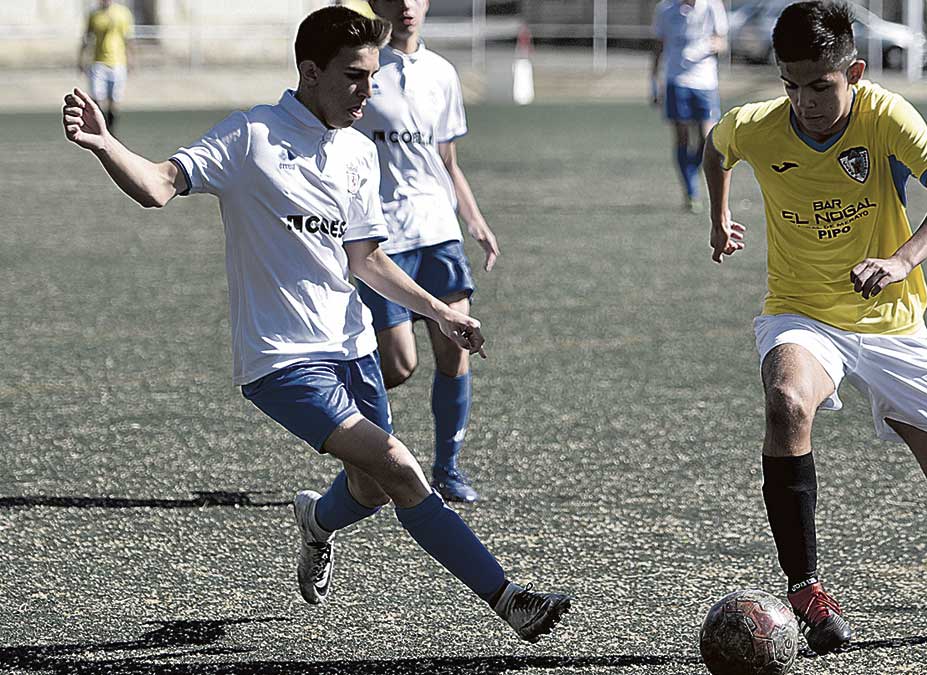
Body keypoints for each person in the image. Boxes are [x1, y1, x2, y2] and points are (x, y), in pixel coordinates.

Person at [61, 6, 569, 643]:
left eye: (374, 77)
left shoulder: (358, 151)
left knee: (373, 486)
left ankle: (317, 523)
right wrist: (106, 143)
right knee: (399, 465)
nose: (369, 91)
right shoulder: (250, 137)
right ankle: (509, 599)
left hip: (352, 347)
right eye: (355, 77)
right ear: (310, 71)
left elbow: (366, 259)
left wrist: (438, 312)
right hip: (282, 360)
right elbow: (159, 185)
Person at [702, 1, 927, 654]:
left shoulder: (885, 117)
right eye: (790, 85)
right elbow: (717, 149)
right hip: (802, 312)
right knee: (786, 399)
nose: (804, 102)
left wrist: (902, 258)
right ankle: (806, 590)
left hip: (893, 322)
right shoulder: (760, 125)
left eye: (819, 86)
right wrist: (719, 216)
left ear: (854, 70)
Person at [353, 0, 502, 504]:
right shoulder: (364, 69)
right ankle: (357, 441)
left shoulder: (441, 72)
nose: (407, 7)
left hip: (438, 233)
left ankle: (447, 469)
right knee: (397, 366)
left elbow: (447, 161)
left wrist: (474, 220)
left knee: (456, 350)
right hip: (383, 237)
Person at [651, 0, 728, 213]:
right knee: (682, 137)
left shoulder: (712, 6)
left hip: (705, 82)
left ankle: (692, 170)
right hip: (676, 81)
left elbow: (723, 42)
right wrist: (653, 80)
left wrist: (709, 46)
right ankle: (691, 190)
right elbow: (658, 46)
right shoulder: (665, 9)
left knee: (708, 138)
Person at [78, 0, 134, 133]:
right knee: (97, 97)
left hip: (118, 62)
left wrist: (131, 60)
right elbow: (87, 38)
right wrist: (81, 59)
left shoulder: (123, 13)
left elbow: (128, 40)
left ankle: (111, 129)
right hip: (98, 62)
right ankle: (99, 127)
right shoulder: (94, 15)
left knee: (114, 100)